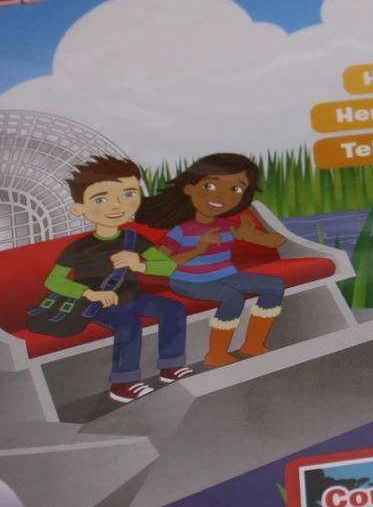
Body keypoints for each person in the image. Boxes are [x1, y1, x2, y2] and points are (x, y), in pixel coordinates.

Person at [46, 156, 190, 403]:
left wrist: (141, 264)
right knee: (128, 325)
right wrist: (89, 293)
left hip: (133, 297)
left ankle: (171, 367)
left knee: (174, 309)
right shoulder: (80, 247)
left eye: (128, 194)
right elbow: (54, 281)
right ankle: (123, 384)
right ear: (79, 208)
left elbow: (168, 267)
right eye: (101, 199)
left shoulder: (133, 239)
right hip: (95, 304)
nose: (117, 206)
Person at [138, 153, 287, 367]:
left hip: (226, 275)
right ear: (189, 188)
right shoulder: (181, 231)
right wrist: (199, 249)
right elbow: (156, 264)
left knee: (274, 285)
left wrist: (250, 235)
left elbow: (276, 241)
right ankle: (216, 353)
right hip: (187, 280)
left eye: (236, 189)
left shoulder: (229, 226)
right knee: (232, 297)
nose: (221, 196)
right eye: (210, 186)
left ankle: (253, 344)